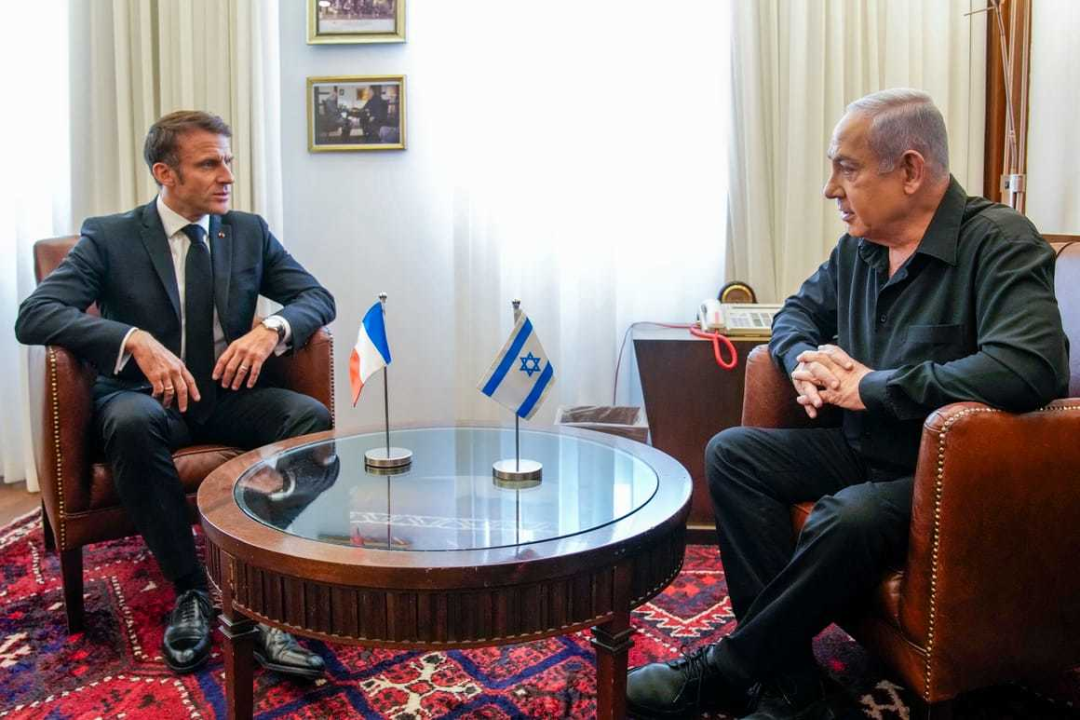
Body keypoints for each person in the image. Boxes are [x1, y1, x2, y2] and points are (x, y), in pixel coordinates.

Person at [626, 88, 1069, 719]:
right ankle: (791, 686)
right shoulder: (860, 246)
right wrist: (804, 360)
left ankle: (730, 669)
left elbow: (1029, 365)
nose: (830, 188)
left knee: (847, 517)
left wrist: (875, 386)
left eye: (847, 169)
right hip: (861, 448)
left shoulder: (999, 241)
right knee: (733, 454)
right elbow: (796, 313)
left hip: (943, 477)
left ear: (910, 171)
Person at [15, 111, 337, 679]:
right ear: (165, 173)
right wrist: (132, 339)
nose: (227, 176)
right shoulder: (110, 237)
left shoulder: (247, 231)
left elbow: (316, 297)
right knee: (130, 423)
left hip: (227, 393)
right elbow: (35, 314)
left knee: (309, 418)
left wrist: (272, 329)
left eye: (228, 161)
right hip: (144, 398)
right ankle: (190, 590)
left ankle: (252, 580)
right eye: (209, 164)